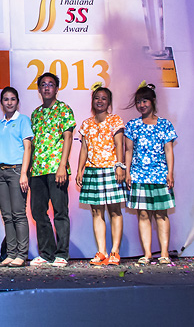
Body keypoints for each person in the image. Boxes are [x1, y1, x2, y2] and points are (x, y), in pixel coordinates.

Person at [124, 82, 177, 266]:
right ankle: (147, 253)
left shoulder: (165, 124)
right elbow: (128, 151)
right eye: (139, 102)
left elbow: (169, 150)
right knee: (143, 215)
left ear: (153, 101)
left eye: (145, 101)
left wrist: (170, 173)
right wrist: (128, 172)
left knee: (161, 214)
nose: (141, 105)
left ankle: (164, 253)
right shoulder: (132, 125)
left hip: (160, 175)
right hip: (139, 175)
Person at [75, 83, 127, 267]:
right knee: (97, 212)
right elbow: (84, 149)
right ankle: (102, 251)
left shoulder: (115, 120)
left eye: (104, 98)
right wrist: (80, 169)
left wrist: (120, 166)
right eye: (97, 98)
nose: (100, 101)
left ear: (109, 102)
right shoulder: (86, 124)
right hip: (92, 170)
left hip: (111, 169)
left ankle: (115, 252)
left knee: (114, 210)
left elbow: (120, 145)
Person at [29, 72, 75, 268]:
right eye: (43, 85)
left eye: (50, 84)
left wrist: (62, 166)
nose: (47, 88)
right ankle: (47, 253)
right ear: (39, 89)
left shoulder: (64, 109)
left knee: (60, 212)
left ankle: (62, 254)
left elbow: (68, 138)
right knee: (38, 212)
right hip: (37, 170)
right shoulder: (35, 114)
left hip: (57, 168)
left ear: (57, 88)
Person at [0, 87, 33, 268]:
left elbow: (27, 148)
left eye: (13, 99)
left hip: (16, 171)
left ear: (17, 102)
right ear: (1, 103)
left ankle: (21, 254)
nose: (9, 102)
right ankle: (11, 253)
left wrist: (24, 173)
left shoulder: (23, 120)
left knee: (19, 214)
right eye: (6, 99)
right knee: (6, 215)